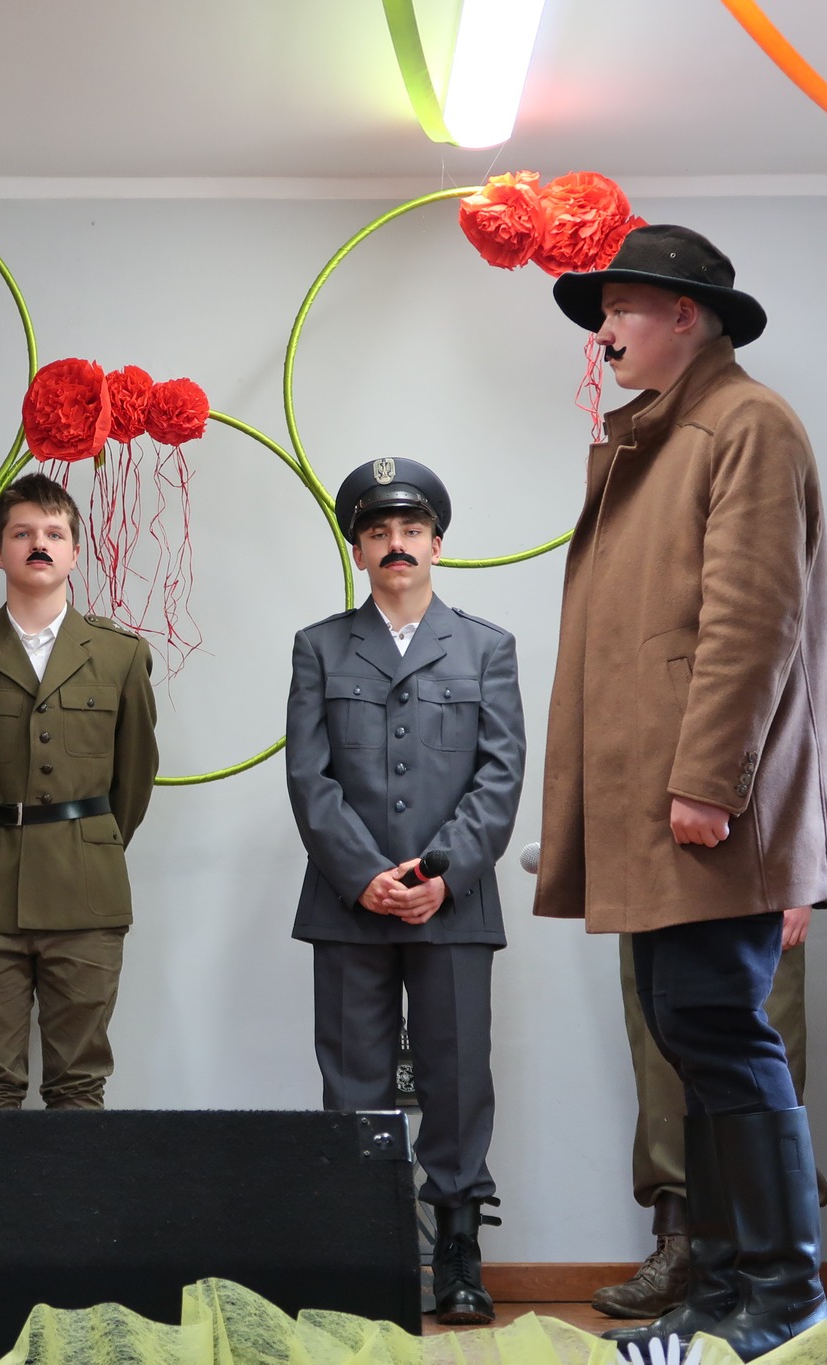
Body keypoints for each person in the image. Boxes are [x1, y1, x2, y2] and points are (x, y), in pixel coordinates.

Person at [535, 225, 827, 1361]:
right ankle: (725, 1288)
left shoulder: (745, 424)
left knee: (719, 1024)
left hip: (707, 804)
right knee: (691, 1028)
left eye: (619, 308)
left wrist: (708, 782)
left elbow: (750, 620)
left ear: (687, 314)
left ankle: (784, 1291)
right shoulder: (666, 433)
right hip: (661, 806)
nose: (603, 331)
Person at [284, 458, 523, 1325]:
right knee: (353, 1082)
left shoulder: (487, 647)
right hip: (350, 905)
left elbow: (500, 776)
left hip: (452, 907)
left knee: (457, 1082)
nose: (397, 545)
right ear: (359, 549)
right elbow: (309, 778)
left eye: (412, 530)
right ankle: (362, 1256)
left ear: (437, 544)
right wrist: (366, 876)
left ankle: (458, 1253)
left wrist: (438, 876)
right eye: (379, 532)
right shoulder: (319, 646)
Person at [0, 472, 158, 1116]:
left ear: (75, 552)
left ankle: (77, 1193)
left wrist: (85, 840)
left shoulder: (119, 655)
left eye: (54, 534)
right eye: (22, 533)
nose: (39, 544)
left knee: (79, 1087)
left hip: (85, 893)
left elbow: (133, 779)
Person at [593, 915, 826, 1321]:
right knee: (678, 1030)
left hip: (739, 885)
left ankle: (783, 1300)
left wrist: (801, 885)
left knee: (727, 1031)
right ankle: (713, 1289)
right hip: (656, 887)